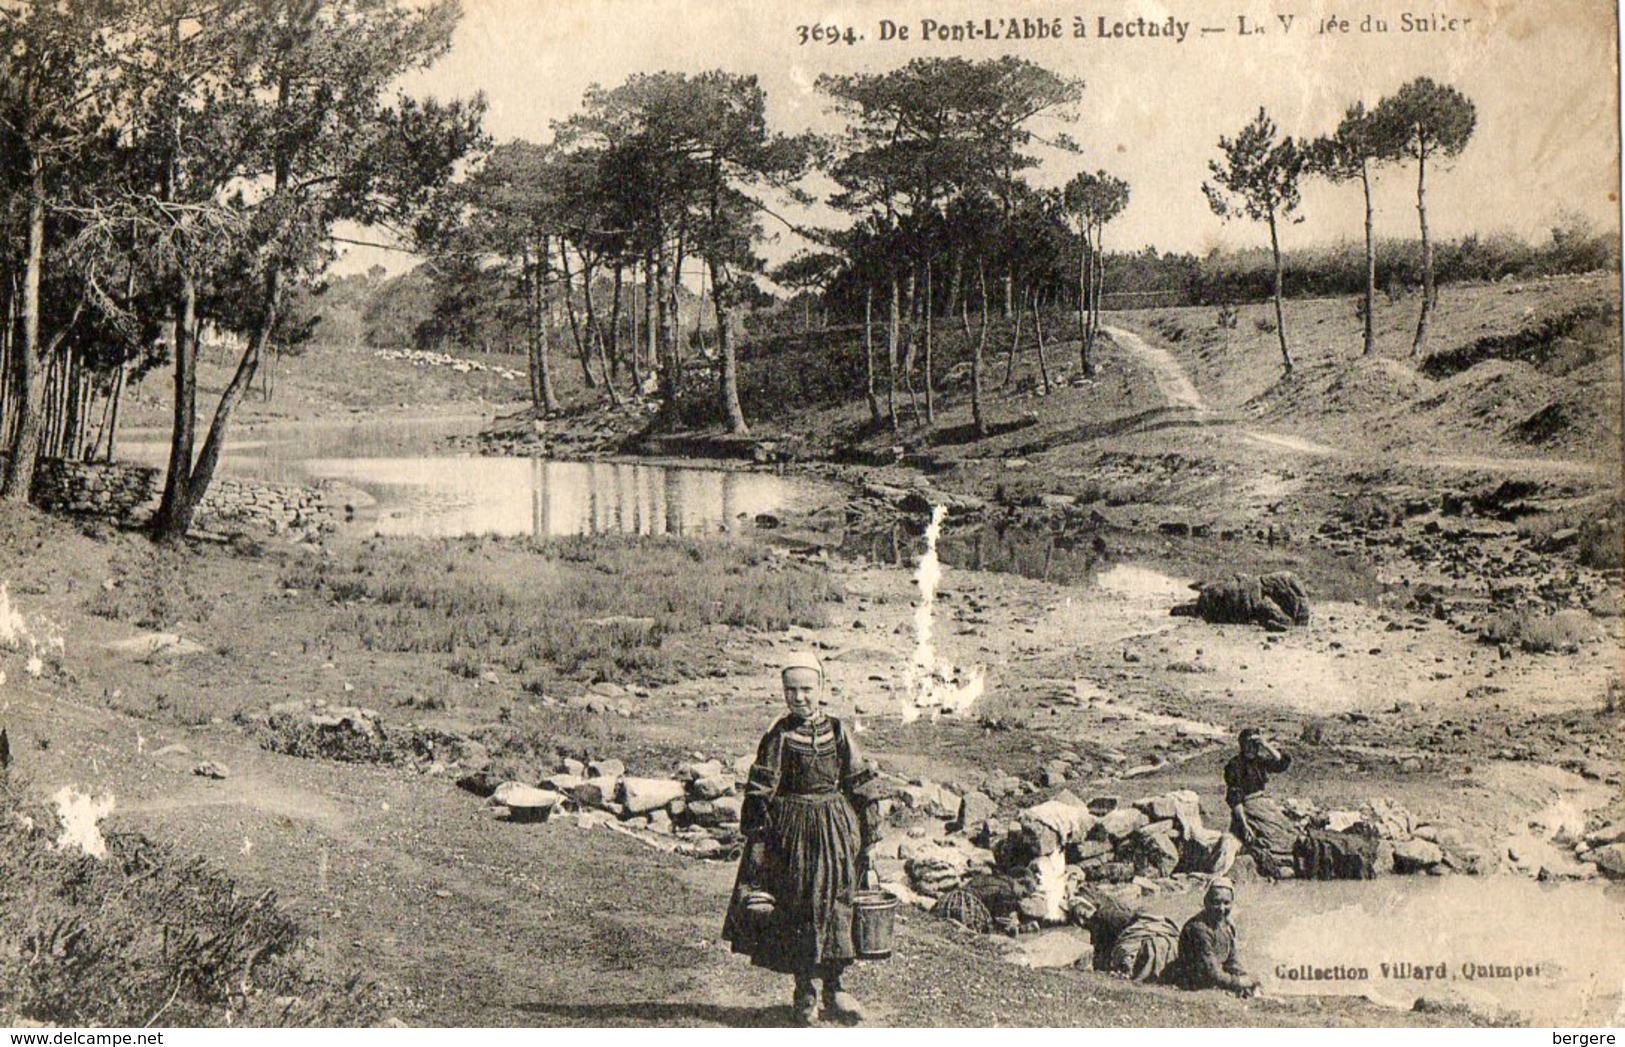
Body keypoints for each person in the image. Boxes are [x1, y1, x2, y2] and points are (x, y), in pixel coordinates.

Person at [723, 653, 882, 1025]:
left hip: (837, 832)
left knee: (839, 904)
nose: (799, 697)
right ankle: (805, 990)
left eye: (807, 689)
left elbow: (859, 780)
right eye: (791, 690)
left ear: (821, 689)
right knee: (800, 909)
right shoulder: (779, 736)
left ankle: (836, 988)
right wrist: (758, 837)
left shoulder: (839, 731)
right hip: (792, 835)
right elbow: (761, 787)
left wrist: (870, 830)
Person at [1213, 727, 1292, 876]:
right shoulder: (1234, 765)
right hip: (1247, 809)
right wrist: (1243, 824)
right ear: (1242, 745)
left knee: (1286, 832)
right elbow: (1235, 798)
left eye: (1256, 744)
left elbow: (1282, 763)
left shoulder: (1259, 762)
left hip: (1264, 806)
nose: (1253, 748)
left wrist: (1266, 744)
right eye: (1250, 744)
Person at [1165, 878, 1260, 997]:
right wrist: (1239, 982)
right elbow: (1211, 972)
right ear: (1206, 902)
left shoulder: (1226, 925)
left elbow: (1232, 960)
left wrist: (1244, 976)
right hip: (1195, 983)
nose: (1221, 909)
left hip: (1215, 977)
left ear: (1232, 903)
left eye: (1226, 903)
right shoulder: (1198, 928)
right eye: (1216, 902)